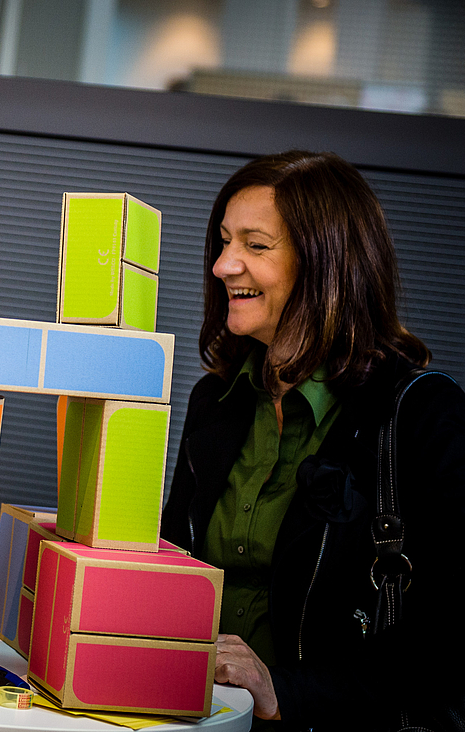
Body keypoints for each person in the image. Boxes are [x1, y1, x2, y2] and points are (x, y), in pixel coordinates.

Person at [161, 150, 465, 730]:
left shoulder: (423, 414)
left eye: (255, 245)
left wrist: (285, 694)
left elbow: (447, 639)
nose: (223, 265)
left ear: (327, 264)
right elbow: (176, 563)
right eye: (223, 242)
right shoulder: (216, 401)